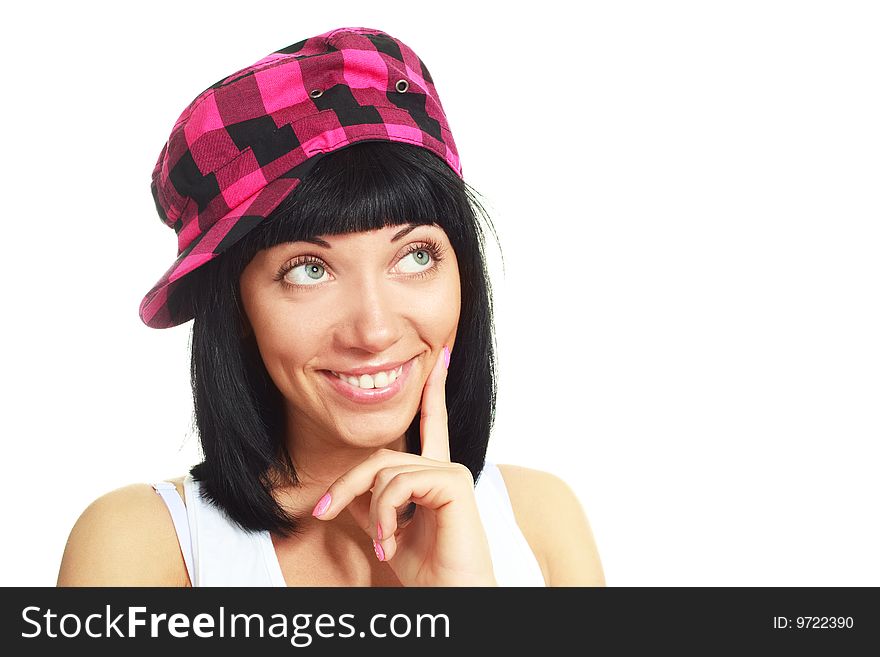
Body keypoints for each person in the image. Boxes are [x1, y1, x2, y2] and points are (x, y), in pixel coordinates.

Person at [57, 26, 605, 587]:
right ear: (237, 309)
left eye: (415, 256)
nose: (373, 330)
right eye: (308, 270)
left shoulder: (541, 523)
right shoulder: (141, 547)